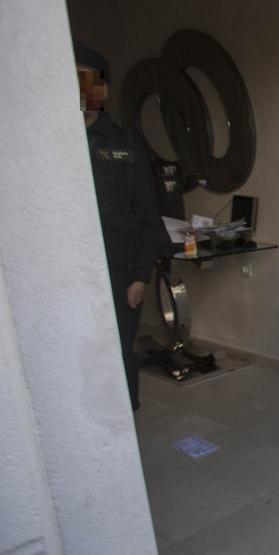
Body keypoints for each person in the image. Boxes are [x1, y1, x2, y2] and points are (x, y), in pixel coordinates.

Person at [77, 42, 164, 412]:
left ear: (102, 90)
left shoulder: (125, 143)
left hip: (118, 272)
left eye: (85, 80)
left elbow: (148, 214)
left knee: (119, 353)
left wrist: (141, 276)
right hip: (69, 273)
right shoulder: (52, 143)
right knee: (80, 355)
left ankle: (124, 429)